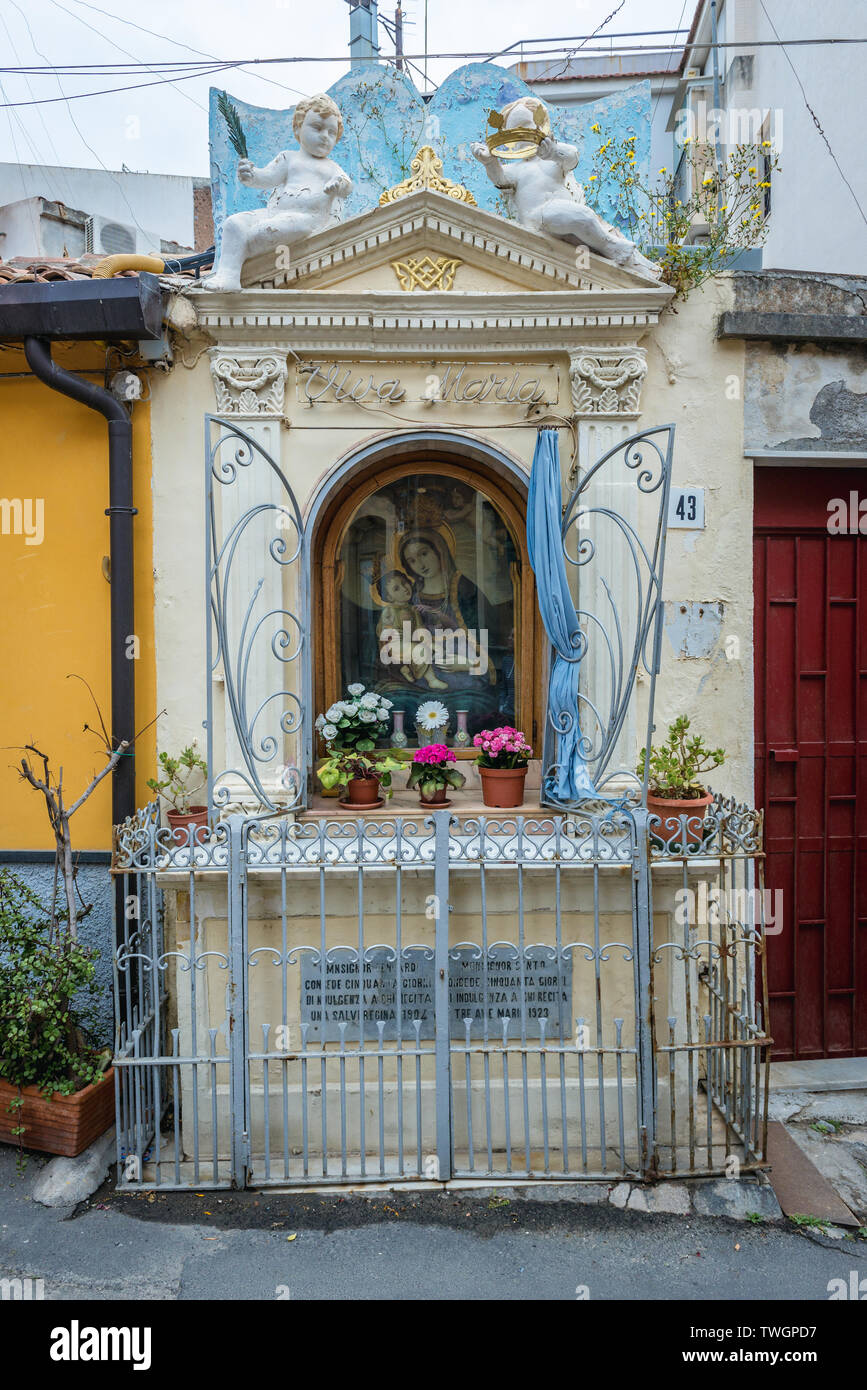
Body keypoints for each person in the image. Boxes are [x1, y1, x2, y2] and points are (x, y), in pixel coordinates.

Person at [471, 96, 660, 280]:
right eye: (514, 130)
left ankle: (642, 268)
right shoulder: (516, 169)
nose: (521, 134)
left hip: (564, 220)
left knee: (585, 222)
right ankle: (611, 246)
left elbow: (571, 157)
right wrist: (489, 163)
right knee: (582, 217)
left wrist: (553, 151)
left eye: (526, 126)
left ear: (539, 126)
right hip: (538, 219)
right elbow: (500, 180)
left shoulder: (552, 161)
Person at [204, 93, 352, 292]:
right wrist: (250, 175)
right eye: (317, 127)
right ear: (298, 128)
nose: (325, 136)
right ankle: (228, 276)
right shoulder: (288, 158)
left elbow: (346, 185)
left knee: (266, 230)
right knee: (233, 224)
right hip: (276, 213)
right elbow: (266, 177)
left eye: (331, 132)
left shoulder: (331, 168)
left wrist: (338, 185)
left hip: (306, 219)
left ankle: (247, 252)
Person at [375, 569, 449, 690]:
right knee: (420, 650)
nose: (404, 588)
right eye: (396, 589)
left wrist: (427, 641)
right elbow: (382, 629)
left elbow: (420, 629)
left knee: (428, 647)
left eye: (404, 583)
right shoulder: (390, 610)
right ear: (388, 596)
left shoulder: (413, 610)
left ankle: (406, 669)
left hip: (410, 643)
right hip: (395, 645)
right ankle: (432, 680)